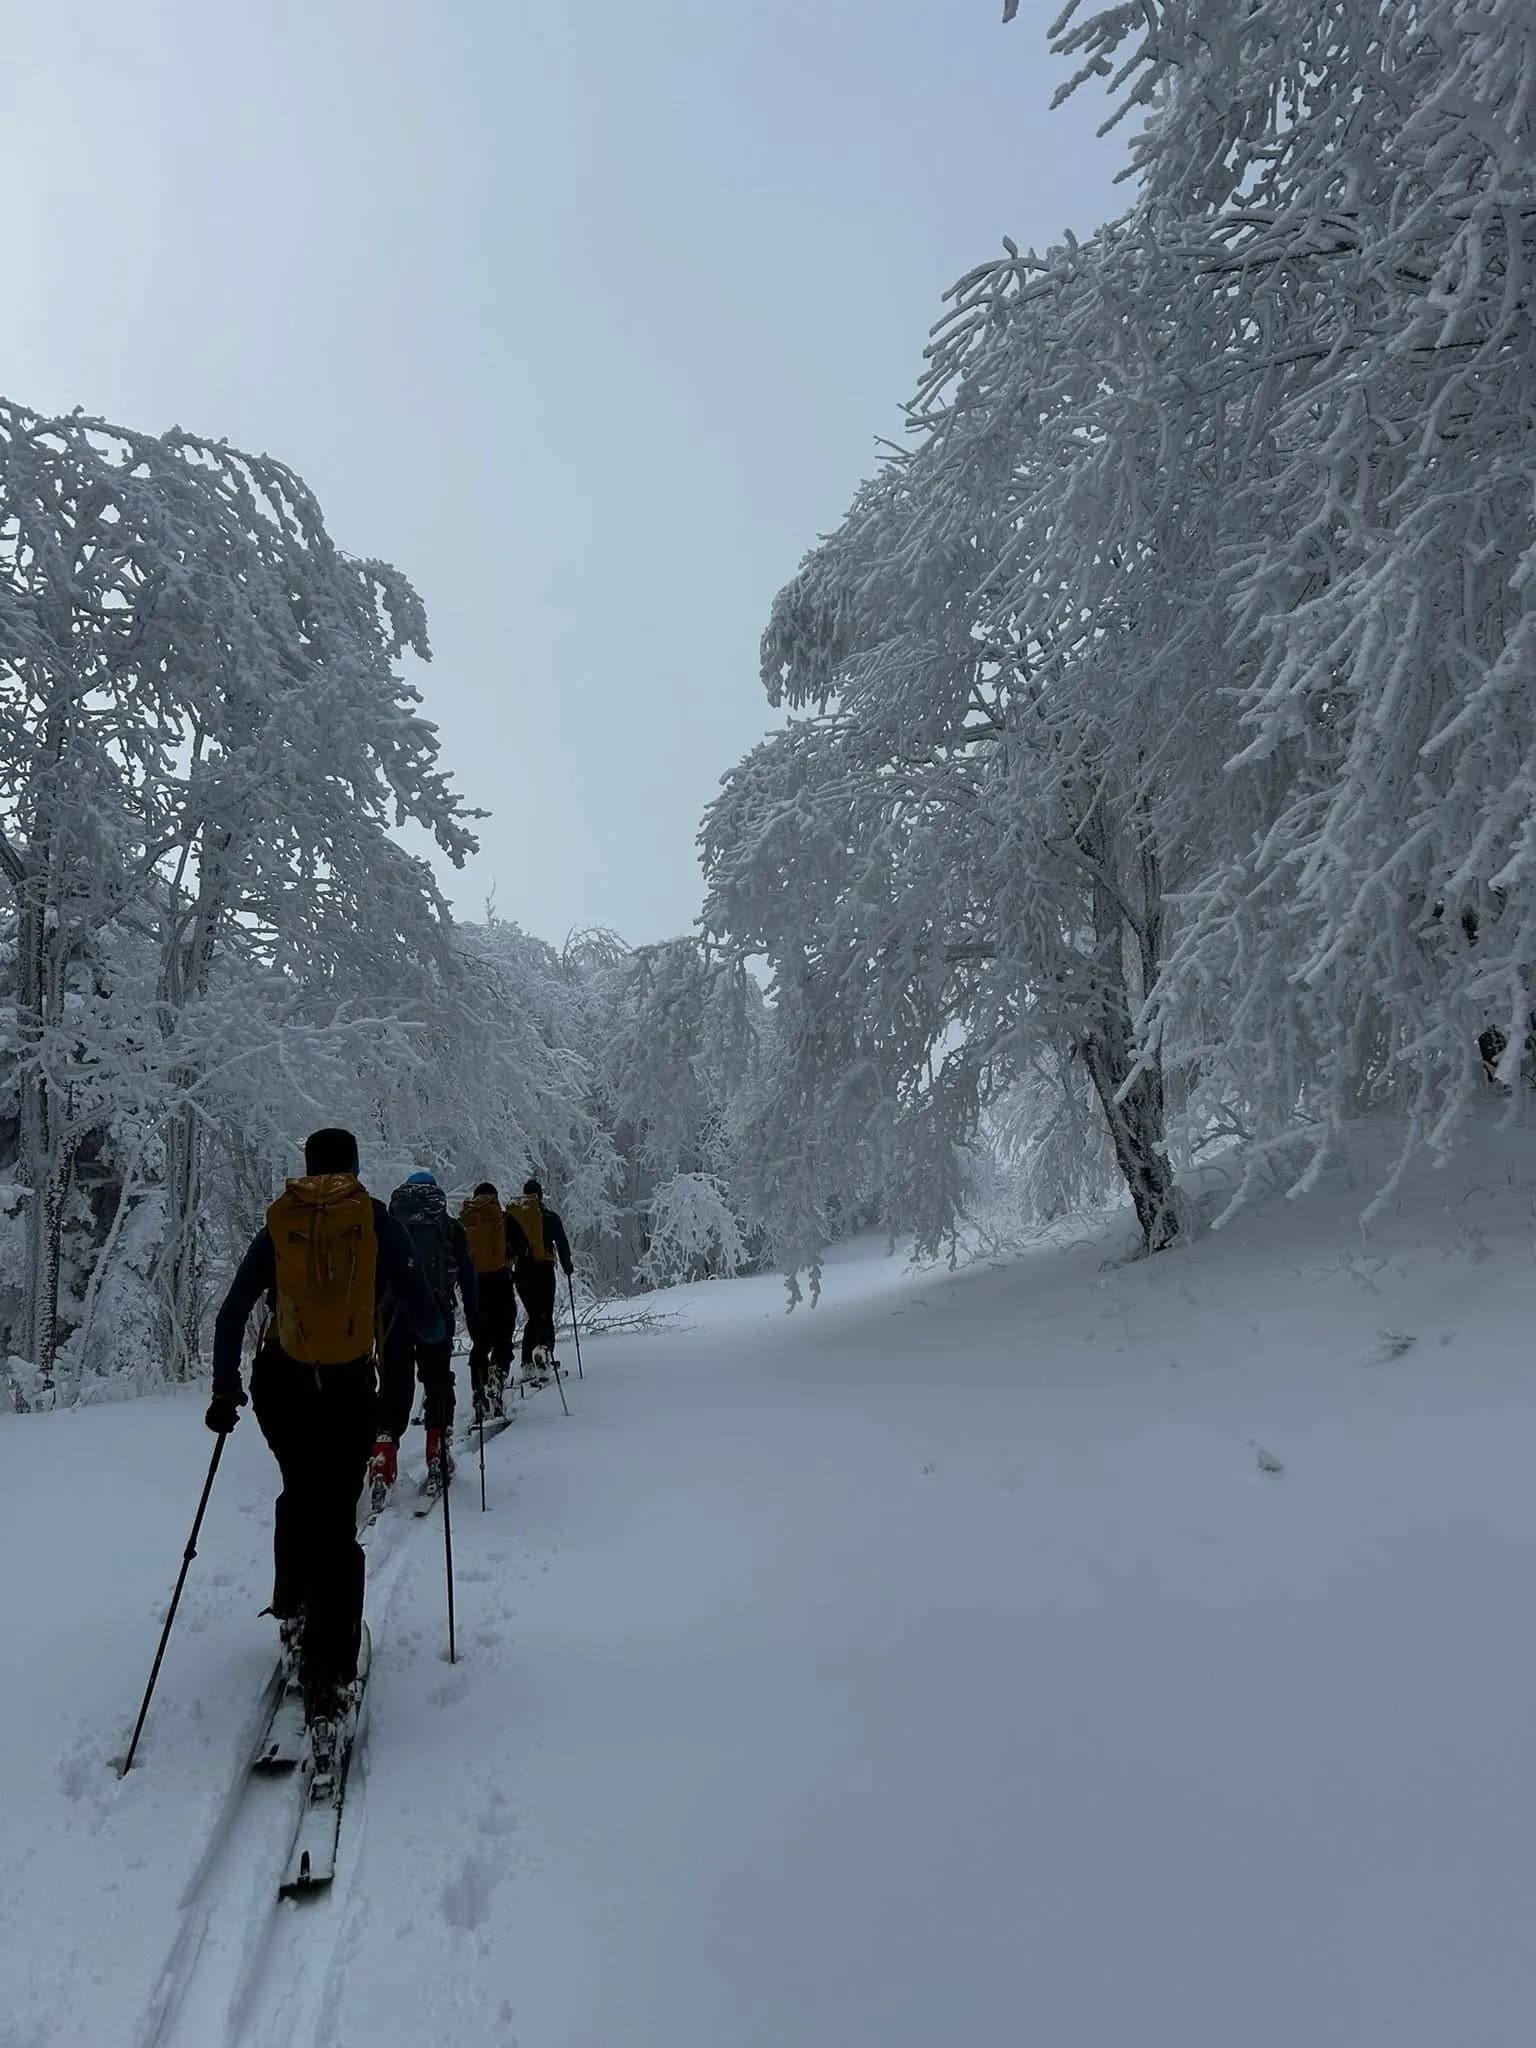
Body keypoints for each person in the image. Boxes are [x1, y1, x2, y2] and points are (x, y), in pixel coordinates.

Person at [207, 1127, 442, 1756]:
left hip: (279, 1386)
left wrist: (225, 1389)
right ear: (356, 1167)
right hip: (345, 1390)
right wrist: (434, 1333)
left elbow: (232, 1312)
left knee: (299, 1490)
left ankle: (293, 1613)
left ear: (307, 1166)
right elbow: (424, 1314)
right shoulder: (376, 1222)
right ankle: (329, 1683)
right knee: (336, 1520)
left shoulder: (282, 1222)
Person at [373, 1170, 477, 1495]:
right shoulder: (450, 1227)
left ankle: (383, 1456)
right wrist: (475, 1319)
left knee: (394, 1385)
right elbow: (468, 1277)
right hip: (435, 1312)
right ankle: (437, 1450)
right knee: (437, 1380)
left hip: (392, 1315)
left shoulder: (387, 1226)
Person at [458, 1182, 526, 1421]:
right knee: (503, 1337)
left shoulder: (465, 1221)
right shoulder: (504, 1219)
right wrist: (510, 1259)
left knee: (480, 1342)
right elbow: (523, 1247)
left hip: (474, 1287)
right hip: (500, 1283)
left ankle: (479, 1390)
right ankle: (497, 1374)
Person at [504, 1177, 573, 1381]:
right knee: (544, 1314)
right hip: (543, 1270)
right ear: (540, 1196)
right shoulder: (549, 1217)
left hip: (521, 1272)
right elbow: (562, 1243)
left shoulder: (512, 1217)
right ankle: (544, 1354)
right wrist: (567, 1266)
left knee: (534, 1315)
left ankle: (527, 1362)